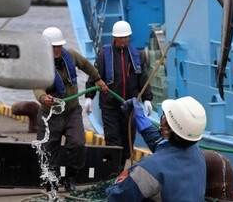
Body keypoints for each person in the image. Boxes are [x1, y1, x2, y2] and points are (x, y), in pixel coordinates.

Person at [34, 26, 109, 193]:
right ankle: (51, 181)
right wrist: (43, 98)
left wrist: (97, 79)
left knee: (78, 144)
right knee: (47, 150)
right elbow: (37, 87)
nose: (57, 49)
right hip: (50, 114)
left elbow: (86, 65)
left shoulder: (71, 56)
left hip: (71, 111)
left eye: (59, 46)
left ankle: (70, 177)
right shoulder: (39, 63)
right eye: (54, 47)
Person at [106, 96, 207, 201]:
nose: (162, 117)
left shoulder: (148, 169)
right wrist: (141, 119)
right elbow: (164, 146)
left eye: (164, 115)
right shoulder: (196, 152)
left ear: (167, 130)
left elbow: (118, 197)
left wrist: (121, 180)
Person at [85, 20, 154, 169]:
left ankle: (120, 170)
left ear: (129, 37)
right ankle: (112, 173)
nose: (123, 40)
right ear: (114, 38)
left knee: (127, 142)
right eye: (120, 37)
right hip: (110, 107)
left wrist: (147, 99)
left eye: (126, 37)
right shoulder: (104, 56)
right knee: (113, 142)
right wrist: (89, 98)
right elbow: (94, 77)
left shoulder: (136, 56)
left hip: (129, 108)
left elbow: (143, 78)